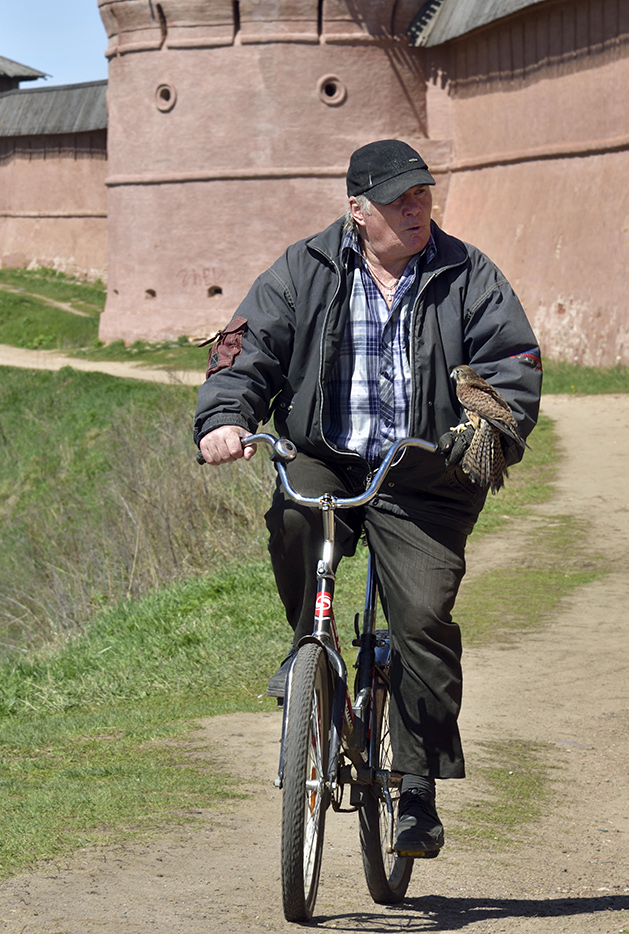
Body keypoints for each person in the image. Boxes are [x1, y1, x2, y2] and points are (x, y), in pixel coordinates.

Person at [194, 139, 542, 857]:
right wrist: (227, 417)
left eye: (422, 197)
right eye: (398, 201)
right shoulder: (305, 269)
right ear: (357, 210)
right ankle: (312, 661)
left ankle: (418, 786)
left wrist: (483, 430)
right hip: (327, 454)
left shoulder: (467, 274)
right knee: (295, 519)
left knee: (422, 618)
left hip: (422, 470)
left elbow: (512, 364)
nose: (416, 211)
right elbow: (244, 348)